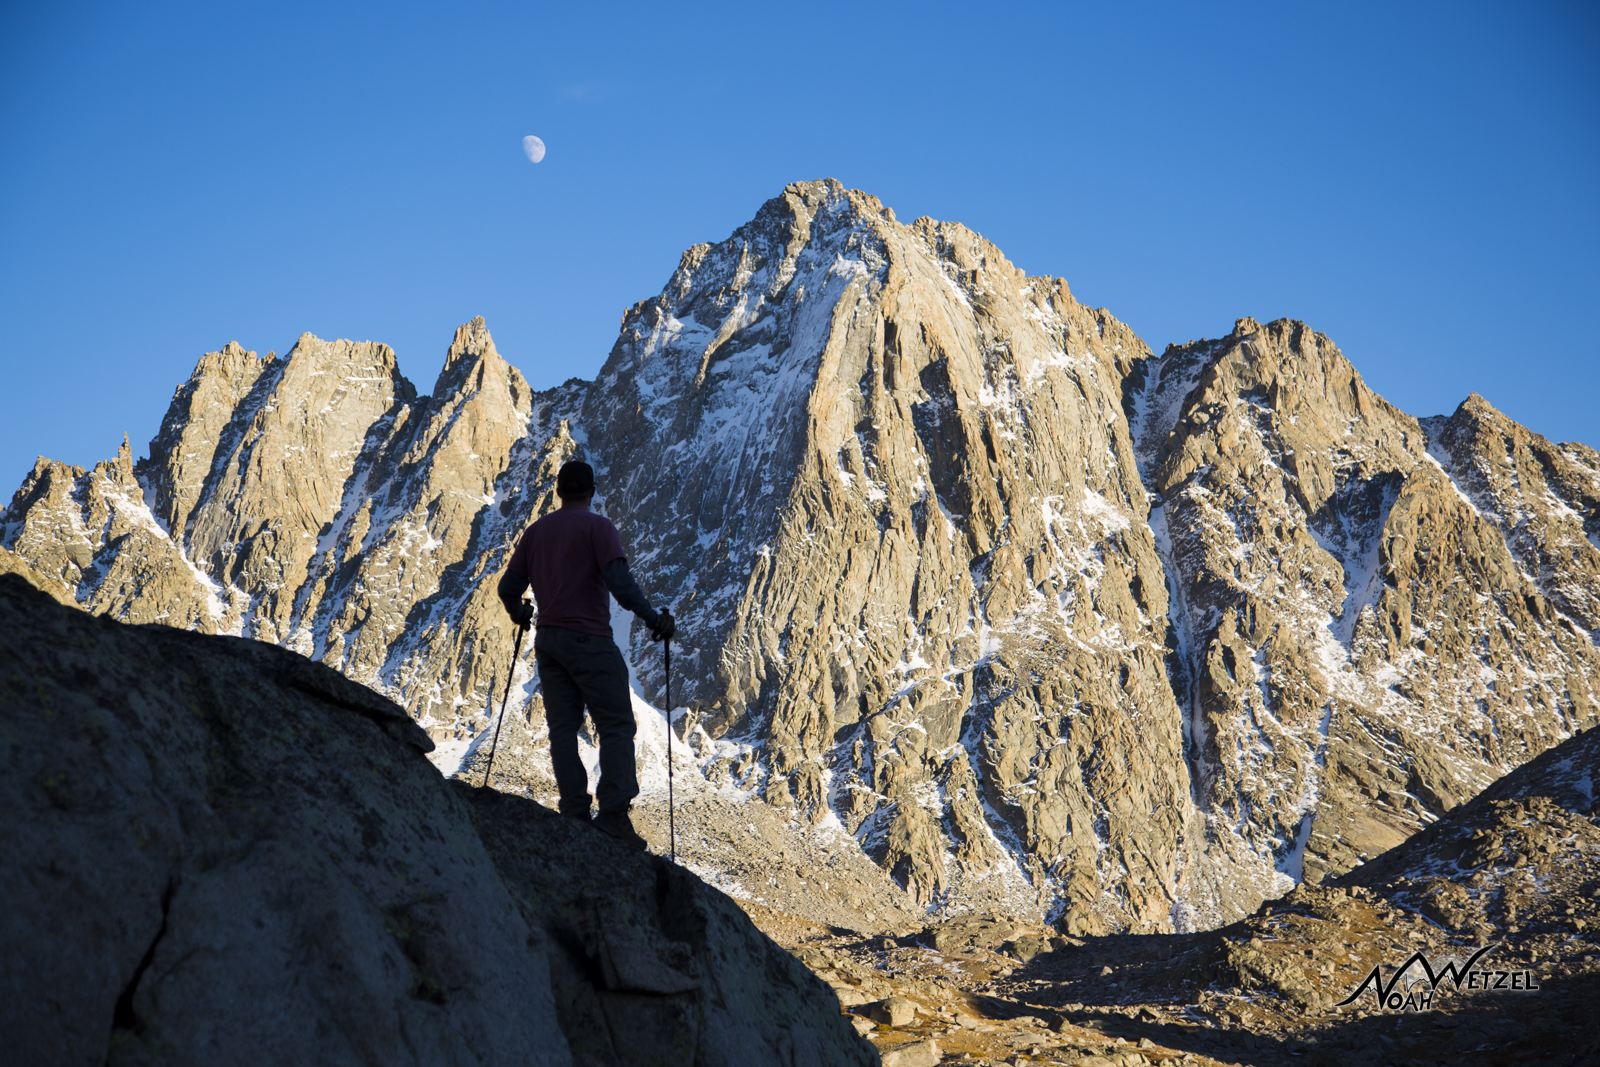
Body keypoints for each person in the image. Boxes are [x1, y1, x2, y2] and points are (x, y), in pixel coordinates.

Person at [498, 460, 674, 851]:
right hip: (589, 639)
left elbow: (508, 587)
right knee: (615, 724)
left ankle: (574, 811)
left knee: (563, 727)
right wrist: (652, 619)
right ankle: (612, 816)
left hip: (549, 641)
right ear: (591, 491)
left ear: (559, 491)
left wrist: (520, 612)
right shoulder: (599, 528)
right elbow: (619, 583)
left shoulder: (536, 533)